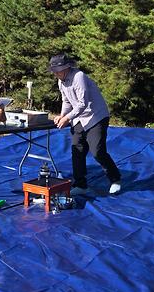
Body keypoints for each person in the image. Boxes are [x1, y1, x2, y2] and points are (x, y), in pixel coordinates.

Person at [49, 53, 122, 196]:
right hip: (78, 119)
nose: (56, 74)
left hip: (95, 117)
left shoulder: (79, 77)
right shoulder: (60, 81)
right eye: (54, 71)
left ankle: (115, 179)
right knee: (77, 150)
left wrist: (67, 118)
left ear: (67, 67)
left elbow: (83, 104)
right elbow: (67, 101)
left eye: (58, 70)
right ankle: (80, 184)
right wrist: (62, 115)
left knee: (97, 151)